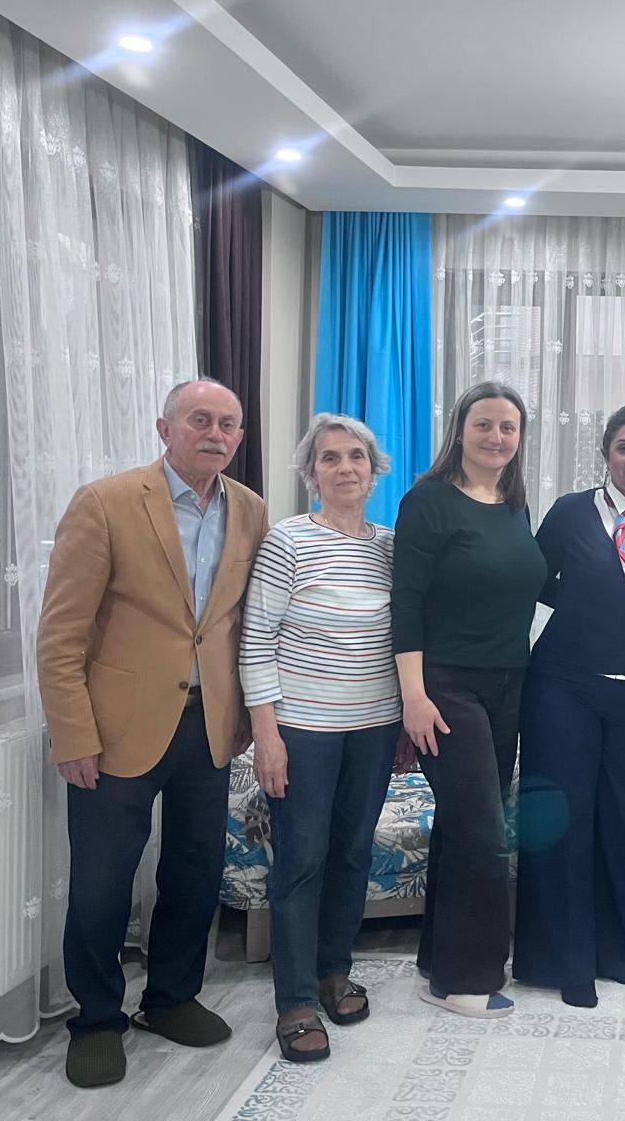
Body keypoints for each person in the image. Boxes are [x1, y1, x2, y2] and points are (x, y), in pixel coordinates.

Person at [37, 377, 268, 1088]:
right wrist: (72, 733)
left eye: (228, 424)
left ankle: (170, 997)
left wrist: (245, 716)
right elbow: (60, 634)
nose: (216, 434)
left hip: (209, 725)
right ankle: (96, 1019)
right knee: (102, 883)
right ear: (165, 429)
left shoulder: (251, 510)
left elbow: (238, 625)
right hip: (114, 730)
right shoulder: (105, 503)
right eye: (200, 419)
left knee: (196, 869)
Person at [513, 406, 625, 1009]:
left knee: (622, 822)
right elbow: (532, 584)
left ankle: (613, 948)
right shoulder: (571, 512)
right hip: (563, 688)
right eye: (623, 447)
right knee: (560, 822)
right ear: (606, 456)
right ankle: (561, 961)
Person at [239, 414, 403, 1062]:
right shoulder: (288, 541)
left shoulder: (390, 547)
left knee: (353, 854)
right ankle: (296, 1000)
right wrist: (267, 735)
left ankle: (335, 970)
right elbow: (256, 639)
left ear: (373, 470)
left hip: (374, 728)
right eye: (329, 458)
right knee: (302, 860)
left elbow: (402, 640)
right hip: (304, 732)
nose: (345, 468)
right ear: (312, 474)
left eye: (356, 456)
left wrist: (402, 722)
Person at [391, 382, 546, 1019]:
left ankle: (437, 960)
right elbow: (407, 602)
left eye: (508, 427)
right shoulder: (428, 501)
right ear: (460, 429)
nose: (496, 437)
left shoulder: (514, 504)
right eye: (484, 424)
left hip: (509, 683)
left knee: (463, 823)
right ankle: (467, 978)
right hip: (446, 686)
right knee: (485, 832)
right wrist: (414, 696)